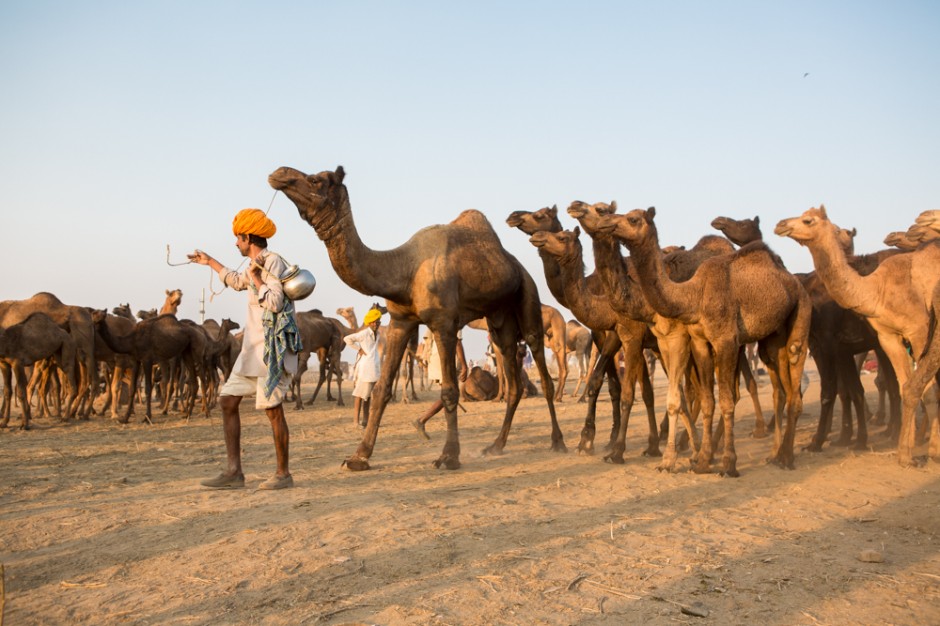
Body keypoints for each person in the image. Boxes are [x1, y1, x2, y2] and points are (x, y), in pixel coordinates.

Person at [187, 208, 302, 490]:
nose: (235, 243)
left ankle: (283, 474)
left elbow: (275, 302)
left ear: (248, 236)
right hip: (251, 350)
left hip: (271, 350)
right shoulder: (255, 263)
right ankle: (234, 472)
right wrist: (210, 262)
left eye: (238, 239)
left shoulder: (272, 262)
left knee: (272, 409)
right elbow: (238, 282)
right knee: (227, 400)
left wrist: (258, 278)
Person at [412, 330, 467, 440]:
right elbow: (457, 343)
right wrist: (465, 366)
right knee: (449, 394)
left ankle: (452, 430)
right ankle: (422, 420)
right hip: (445, 358)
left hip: (436, 357)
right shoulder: (456, 316)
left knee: (448, 395)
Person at [344, 308, 383, 427]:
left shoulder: (378, 334)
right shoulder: (364, 334)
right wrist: (359, 349)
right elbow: (347, 339)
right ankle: (356, 422)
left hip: (374, 367)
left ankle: (366, 421)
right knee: (359, 396)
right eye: (373, 322)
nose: (375, 324)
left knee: (368, 397)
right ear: (369, 322)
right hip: (365, 368)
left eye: (377, 322)